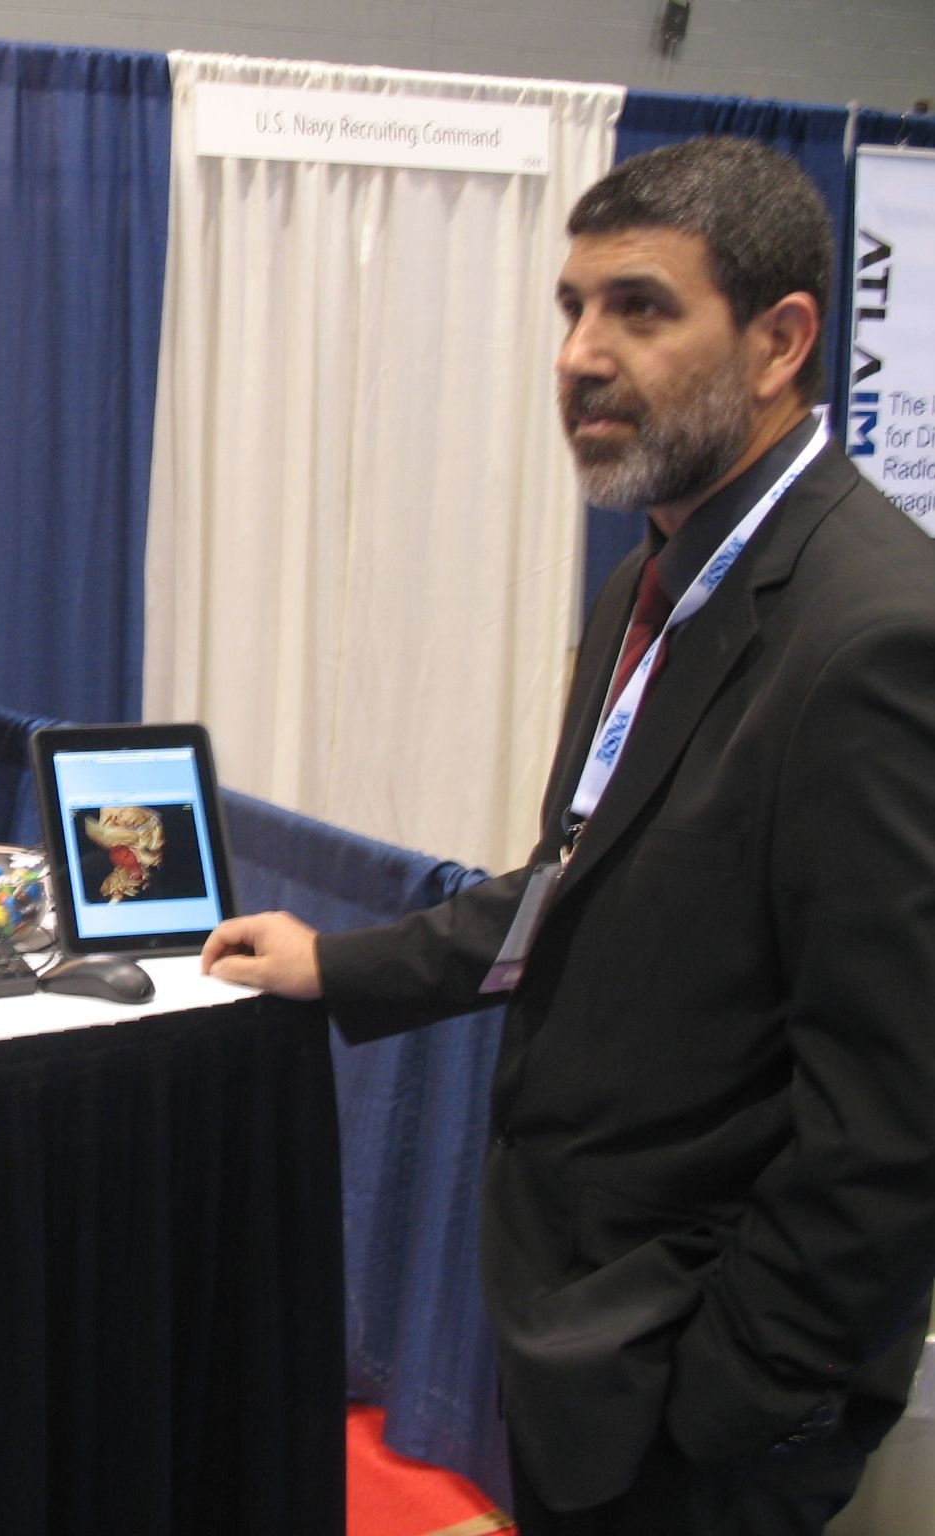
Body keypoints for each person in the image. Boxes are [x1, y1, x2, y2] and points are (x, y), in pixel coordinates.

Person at [203, 136, 935, 1534]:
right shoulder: (645, 591)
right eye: (572, 307)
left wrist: (733, 1402)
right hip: (583, 1347)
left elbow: (891, 1126)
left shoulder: (875, 639)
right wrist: (339, 965)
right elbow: (574, 888)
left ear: (781, 342)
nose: (581, 355)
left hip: (699, 1399)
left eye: (639, 309)